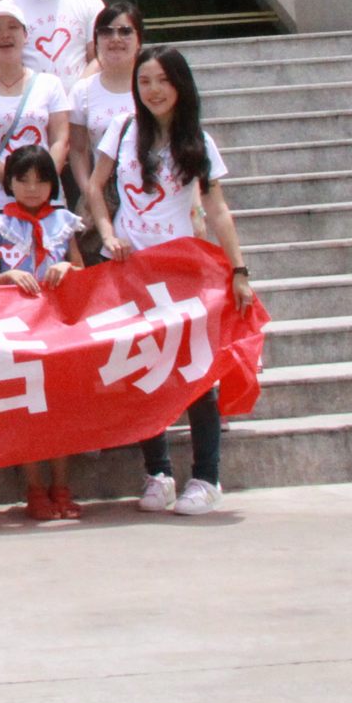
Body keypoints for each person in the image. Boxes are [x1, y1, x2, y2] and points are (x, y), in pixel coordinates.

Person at [96, 45, 255, 517]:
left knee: (195, 373)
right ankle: (158, 472)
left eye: (163, 80)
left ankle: (207, 477)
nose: (153, 90)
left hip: (181, 272)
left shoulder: (198, 142)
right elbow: (93, 186)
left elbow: (217, 210)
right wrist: (107, 233)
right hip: (130, 270)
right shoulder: (122, 130)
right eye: (145, 81)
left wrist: (239, 270)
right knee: (143, 369)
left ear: (180, 85)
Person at [0, 146, 87, 523]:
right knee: (25, 409)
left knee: (59, 409)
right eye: (22, 180)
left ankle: (62, 487)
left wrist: (67, 268)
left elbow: (82, 271)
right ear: (8, 183)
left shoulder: (65, 222)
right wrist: (8, 275)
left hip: (56, 327)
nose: (31, 188)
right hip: (17, 328)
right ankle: (35, 489)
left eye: (41, 181)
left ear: (53, 184)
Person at [0, 3, 73, 266]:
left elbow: (60, 140)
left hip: (48, 201)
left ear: (25, 35)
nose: (5, 35)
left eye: (13, 27)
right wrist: (18, 186)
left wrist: (42, 183)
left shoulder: (50, 84)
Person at [69, 2, 142, 233]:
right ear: (96, 40)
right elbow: (78, 150)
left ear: (139, 40)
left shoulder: (152, 86)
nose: (115, 39)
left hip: (149, 193)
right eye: (106, 32)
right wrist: (89, 192)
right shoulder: (83, 91)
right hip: (102, 195)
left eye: (125, 31)